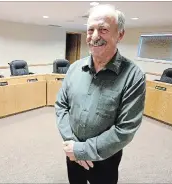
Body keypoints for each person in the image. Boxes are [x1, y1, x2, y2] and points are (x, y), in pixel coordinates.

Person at [55, 4, 146, 184]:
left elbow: (125, 129)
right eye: (90, 30)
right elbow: (61, 106)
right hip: (71, 150)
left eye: (103, 29)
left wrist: (82, 150)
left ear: (120, 34)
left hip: (105, 157)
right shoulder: (74, 69)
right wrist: (73, 145)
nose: (94, 36)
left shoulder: (133, 76)